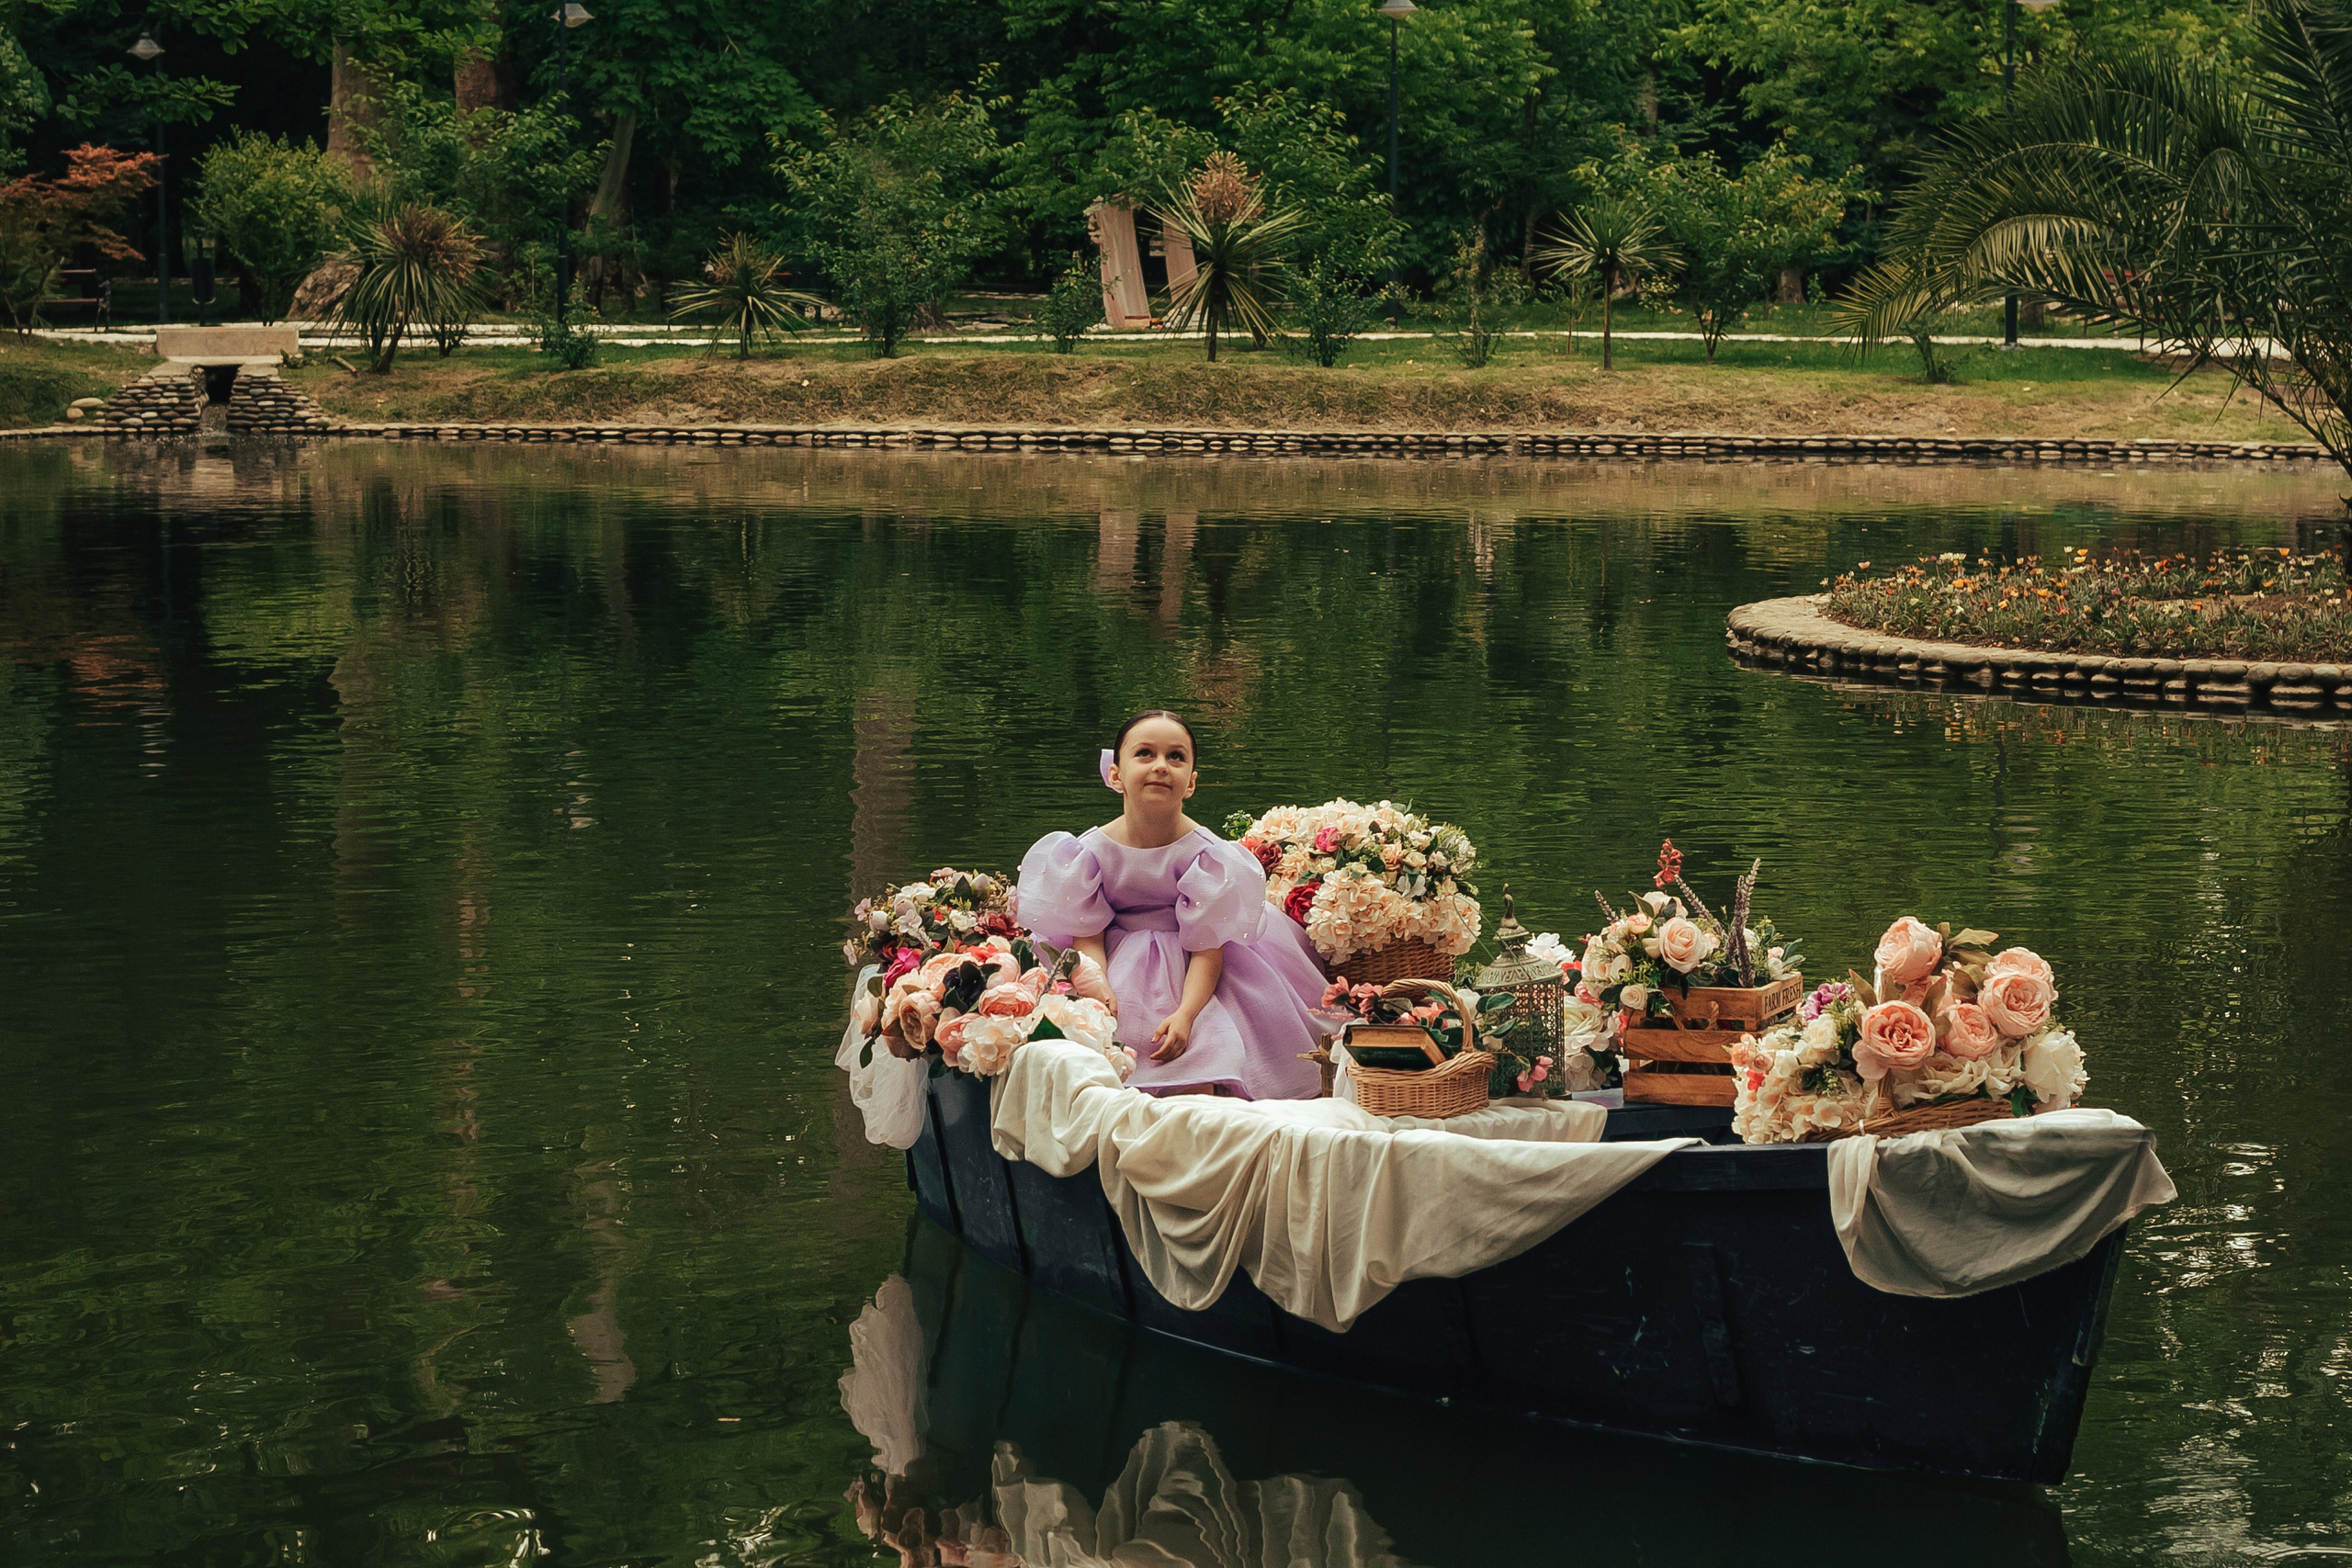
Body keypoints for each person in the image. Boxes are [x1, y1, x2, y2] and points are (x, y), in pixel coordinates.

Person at [1017, 711, 1329, 1100]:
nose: (1161, 766)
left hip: (1199, 959)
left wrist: (1186, 1013)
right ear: (1116, 775)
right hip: (1115, 956)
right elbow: (1088, 937)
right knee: (1101, 1032)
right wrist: (1099, 991)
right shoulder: (1087, 852)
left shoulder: (1208, 856)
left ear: (1192, 783)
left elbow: (1207, 948)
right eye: (1145, 754)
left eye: (1176, 757)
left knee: (1200, 1041)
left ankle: (1207, 1098)